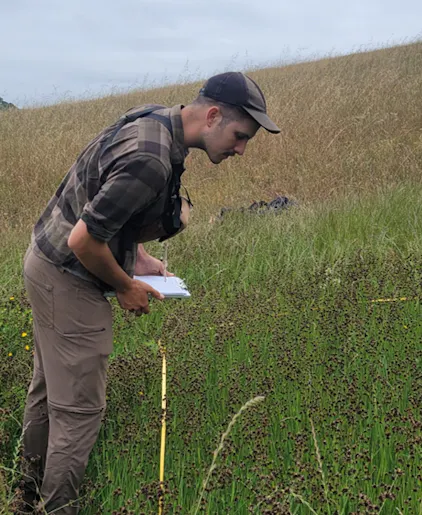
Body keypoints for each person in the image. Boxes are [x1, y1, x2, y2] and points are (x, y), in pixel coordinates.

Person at [15, 71, 280, 514]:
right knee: (78, 413)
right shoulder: (152, 159)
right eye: (239, 136)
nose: (241, 149)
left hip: (45, 262)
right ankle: (54, 508)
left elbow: (106, 208)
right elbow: (84, 241)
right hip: (69, 278)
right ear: (213, 116)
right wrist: (125, 286)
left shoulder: (155, 120)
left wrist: (136, 256)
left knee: (48, 394)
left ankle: (21, 497)